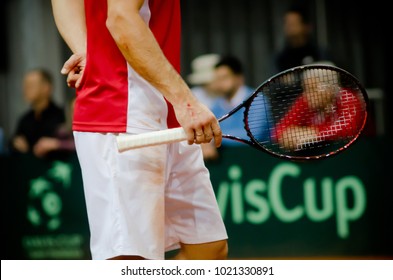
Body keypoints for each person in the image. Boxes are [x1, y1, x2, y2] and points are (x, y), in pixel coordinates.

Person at [51, 0, 228, 260]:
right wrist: (186, 101)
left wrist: (88, 51)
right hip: (122, 113)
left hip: (168, 111)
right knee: (131, 260)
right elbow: (121, 19)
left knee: (208, 249)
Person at [273, 69, 366, 151]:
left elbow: (348, 130)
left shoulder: (348, 98)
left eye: (312, 89)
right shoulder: (305, 101)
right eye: (305, 88)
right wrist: (286, 136)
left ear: (330, 89)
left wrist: (313, 133)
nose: (306, 95)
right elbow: (277, 131)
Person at [200, 55, 271, 160]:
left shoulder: (257, 100)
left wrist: (215, 138)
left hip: (261, 161)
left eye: (224, 78)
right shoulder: (216, 105)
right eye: (217, 79)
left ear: (239, 78)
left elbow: (252, 135)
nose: (220, 83)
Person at [11, 68, 66, 156]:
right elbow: (14, 142)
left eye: (30, 85)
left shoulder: (62, 116)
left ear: (46, 88)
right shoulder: (25, 119)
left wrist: (56, 144)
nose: (25, 89)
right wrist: (16, 144)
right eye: (24, 85)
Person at [274, 5, 333, 73]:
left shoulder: (320, 53)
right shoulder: (280, 59)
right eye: (286, 23)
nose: (288, 28)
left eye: (293, 24)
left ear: (306, 27)